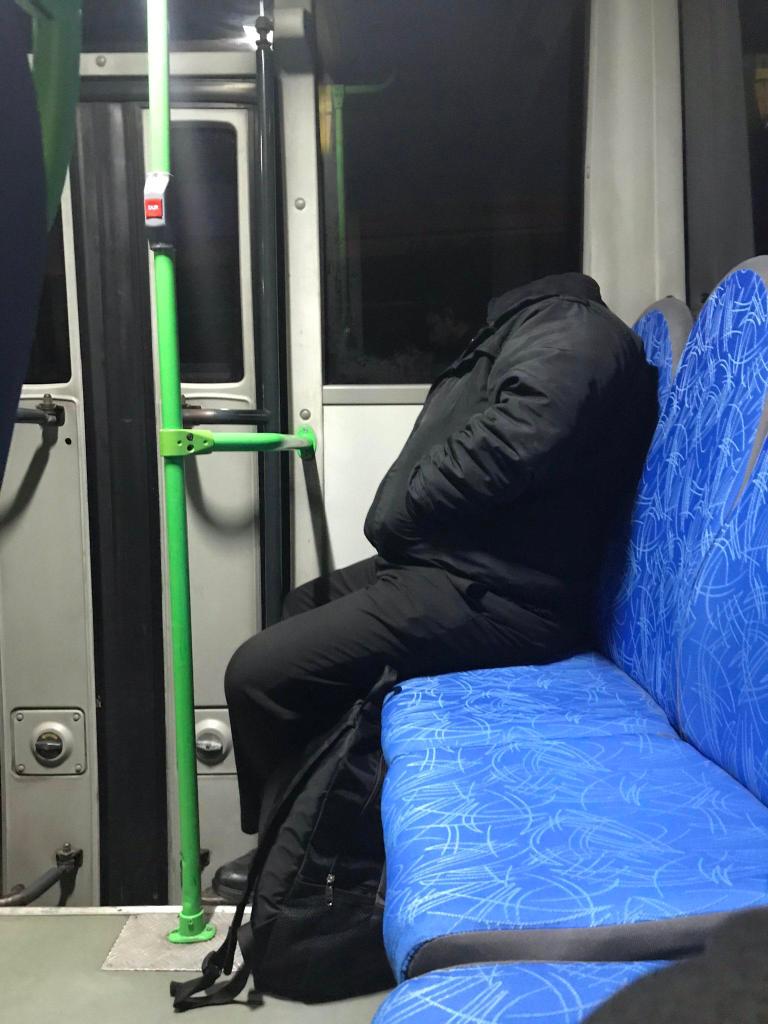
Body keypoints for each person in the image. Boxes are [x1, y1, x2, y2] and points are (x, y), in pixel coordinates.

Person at [214, 272, 658, 900]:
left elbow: (517, 439)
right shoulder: (533, 326)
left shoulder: (572, 329)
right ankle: (301, 826)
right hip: (464, 568)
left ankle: (293, 861)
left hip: (509, 596)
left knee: (258, 673)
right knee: (301, 606)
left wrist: (405, 505)